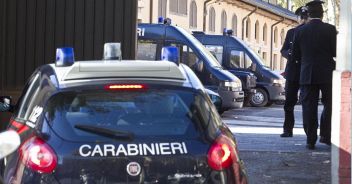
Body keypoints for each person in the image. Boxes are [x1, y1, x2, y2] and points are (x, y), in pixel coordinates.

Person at [292, 0, 337, 149]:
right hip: (327, 73)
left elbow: (295, 56)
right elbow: (335, 52)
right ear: (322, 14)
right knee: (330, 105)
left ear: (308, 14)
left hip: (307, 74)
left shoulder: (300, 31)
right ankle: (326, 135)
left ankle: (310, 139)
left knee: (309, 107)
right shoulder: (330, 30)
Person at [280, 6, 309, 138]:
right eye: (300, 17)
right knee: (289, 103)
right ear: (297, 18)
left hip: (305, 71)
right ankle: (287, 129)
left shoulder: (309, 32)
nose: (302, 19)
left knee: (307, 102)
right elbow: (283, 50)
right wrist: (289, 55)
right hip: (292, 71)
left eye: (304, 17)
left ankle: (308, 130)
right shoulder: (291, 32)